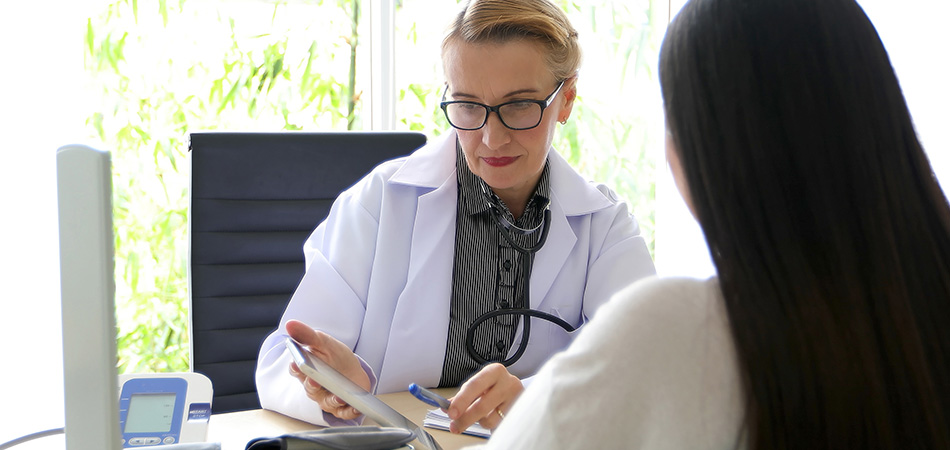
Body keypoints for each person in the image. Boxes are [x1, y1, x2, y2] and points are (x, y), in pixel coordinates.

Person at [477, 0, 950, 448]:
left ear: (706, 153)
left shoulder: (678, 329)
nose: (491, 135)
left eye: (673, 124)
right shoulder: (919, 312)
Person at [255, 0, 656, 434]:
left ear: (566, 100)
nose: (491, 138)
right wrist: (338, 391)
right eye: (467, 105)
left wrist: (540, 397)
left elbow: (649, 360)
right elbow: (281, 363)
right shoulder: (381, 202)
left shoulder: (604, 225)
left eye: (519, 106)